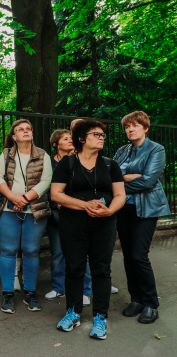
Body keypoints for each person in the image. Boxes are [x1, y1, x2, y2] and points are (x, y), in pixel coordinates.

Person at [52, 119, 126, 340]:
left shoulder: (110, 165)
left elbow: (121, 194)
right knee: (74, 267)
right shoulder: (68, 164)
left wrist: (109, 211)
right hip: (72, 223)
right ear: (82, 138)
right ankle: (73, 313)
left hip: (104, 224)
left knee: (101, 270)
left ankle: (100, 317)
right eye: (96, 134)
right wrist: (84, 204)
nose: (101, 137)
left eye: (103, 134)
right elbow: (56, 194)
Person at [114, 111, 170, 324]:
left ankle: (150, 303)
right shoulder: (122, 151)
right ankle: (136, 299)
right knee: (128, 256)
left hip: (146, 209)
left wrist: (121, 182)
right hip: (123, 208)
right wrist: (126, 178)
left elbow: (147, 182)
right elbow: (111, 177)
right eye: (128, 126)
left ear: (145, 128)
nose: (131, 129)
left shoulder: (156, 149)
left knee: (139, 255)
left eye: (136, 125)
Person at [0, 119, 52, 314]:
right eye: (21, 129)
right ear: (13, 136)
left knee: (31, 251)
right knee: (8, 250)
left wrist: (25, 198)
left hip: (34, 211)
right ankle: (8, 294)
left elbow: (46, 180)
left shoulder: (43, 155)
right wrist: (12, 197)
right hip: (9, 210)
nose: (25, 131)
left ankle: (30, 294)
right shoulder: (5, 155)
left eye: (28, 128)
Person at [45, 129, 93, 306]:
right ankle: (59, 288)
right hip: (55, 215)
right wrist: (55, 201)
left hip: (78, 212)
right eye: (65, 139)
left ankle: (85, 290)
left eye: (70, 138)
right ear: (56, 144)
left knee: (82, 253)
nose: (70, 141)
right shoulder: (48, 163)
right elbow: (43, 185)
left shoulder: (81, 160)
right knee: (58, 252)